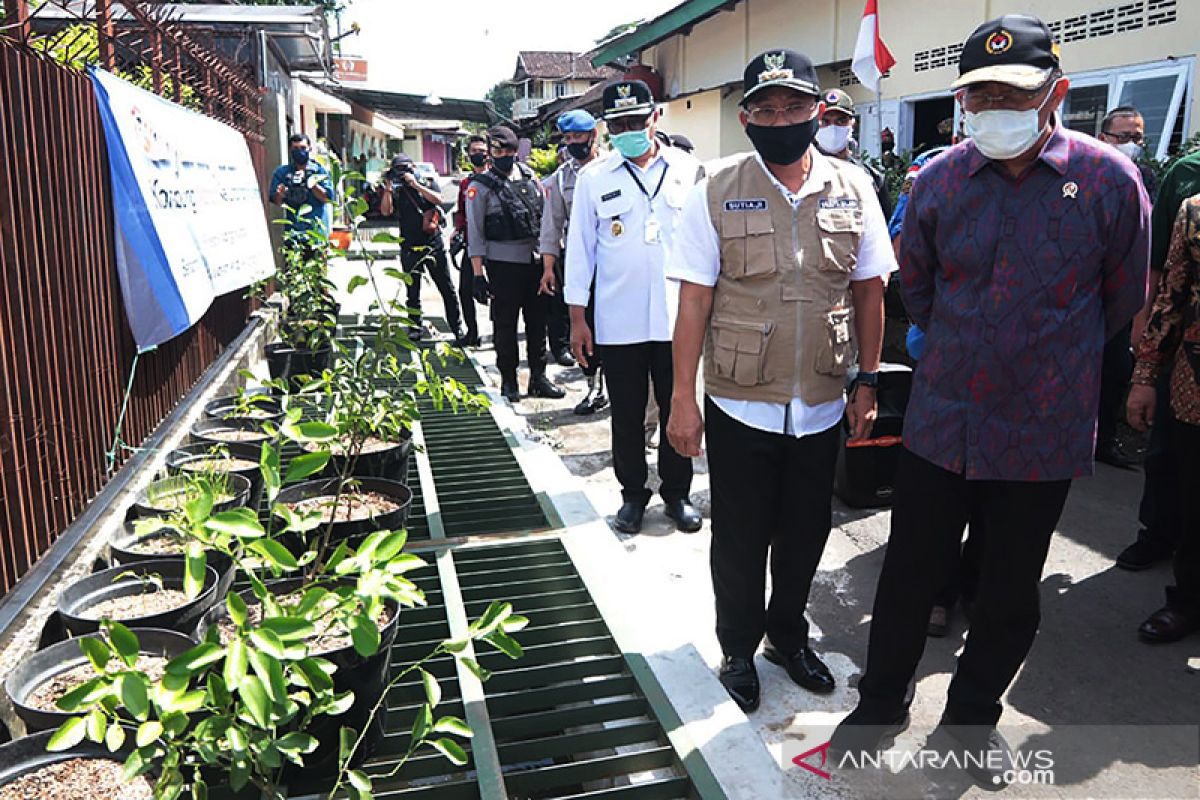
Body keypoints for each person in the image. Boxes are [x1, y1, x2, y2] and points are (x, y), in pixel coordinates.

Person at [832, 15, 1149, 790]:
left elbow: (1121, 300)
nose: (994, 107)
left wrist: (1039, 359)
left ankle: (970, 721)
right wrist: (973, 353)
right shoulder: (938, 180)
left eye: (1014, 91)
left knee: (1009, 589)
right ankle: (879, 704)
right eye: (980, 95)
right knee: (910, 574)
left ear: (1056, 93)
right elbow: (923, 289)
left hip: (1043, 428)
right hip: (944, 419)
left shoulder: (1111, 181)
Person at [666, 50, 893, 713]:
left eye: (794, 107)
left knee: (805, 533)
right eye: (766, 108)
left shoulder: (853, 186)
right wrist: (683, 399)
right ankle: (738, 646)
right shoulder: (716, 186)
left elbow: (871, 291)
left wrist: (868, 383)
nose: (781, 119)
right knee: (737, 535)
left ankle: (787, 637)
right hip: (741, 400)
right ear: (745, 118)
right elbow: (693, 302)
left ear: (817, 113)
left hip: (822, 400)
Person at [565, 79, 703, 534]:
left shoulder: (688, 169)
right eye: (618, 124)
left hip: (676, 318)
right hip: (617, 318)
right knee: (625, 415)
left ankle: (677, 493)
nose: (628, 131)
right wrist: (577, 319)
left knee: (676, 406)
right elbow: (581, 252)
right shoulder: (593, 178)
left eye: (636, 122)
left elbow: (705, 247)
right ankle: (632, 495)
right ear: (607, 128)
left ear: (655, 118)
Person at [1117, 149, 1200, 569]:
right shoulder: (1188, 179)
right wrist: (1143, 333)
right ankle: (1158, 535)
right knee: (1168, 452)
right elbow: (1162, 272)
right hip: (1185, 357)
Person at [1127, 193, 1200, 643]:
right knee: (1194, 502)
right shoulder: (1194, 212)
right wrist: (1146, 376)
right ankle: (1190, 601)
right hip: (1195, 388)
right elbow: (1170, 298)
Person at [466, 125, 565, 402]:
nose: (506, 156)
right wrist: (478, 274)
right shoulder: (480, 187)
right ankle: (509, 380)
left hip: (534, 263)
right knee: (505, 327)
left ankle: (538, 377)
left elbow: (546, 221)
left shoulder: (530, 178)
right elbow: (475, 233)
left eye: (510, 150)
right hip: (502, 265)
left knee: (537, 324)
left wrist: (549, 263)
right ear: (490, 152)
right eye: (499, 151)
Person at [1094, 106, 1159, 468]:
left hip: (1122, 297)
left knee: (1116, 370)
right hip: (1088, 297)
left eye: (1137, 137)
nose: (1132, 144)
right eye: (1124, 137)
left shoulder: (1144, 178)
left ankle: (1103, 442)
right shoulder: (1088, 174)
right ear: (1104, 137)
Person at [539, 109, 608, 415]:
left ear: (593, 136)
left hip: (614, 263)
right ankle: (594, 387)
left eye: (578, 136)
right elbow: (551, 226)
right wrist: (548, 268)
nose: (572, 143)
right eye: (567, 138)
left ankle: (621, 387)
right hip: (580, 264)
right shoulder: (560, 178)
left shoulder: (614, 168)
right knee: (584, 328)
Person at [379, 154, 465, 344]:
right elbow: (386, 211)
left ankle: (456, 326)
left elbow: (439, 200)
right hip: (409, 244)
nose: (403, 173)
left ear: (413, 167)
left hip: (432, 242)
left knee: (446, 287)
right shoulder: (395, 187)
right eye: (398, 169)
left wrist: (416, 185)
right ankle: (414, 327)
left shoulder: (426, 181)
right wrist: (387, 189)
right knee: (412, 290)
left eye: (405, 168)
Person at [814, 89, 893, 220]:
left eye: (841, 121)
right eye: (825, 121)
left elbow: (884, 231)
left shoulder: (870, 178)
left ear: (852, 124)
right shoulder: (799, 173)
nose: (832, 128)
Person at [451, 135, 489, 347]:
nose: (478, 155)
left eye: (482, 150)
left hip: (494, 245)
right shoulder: (466, 183)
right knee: (465, 290)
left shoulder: (495, 178)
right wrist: (457, 230)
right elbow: (461, 211)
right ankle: (472, 332)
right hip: (471, 244)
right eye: (474, 151)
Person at [270, 134, 333, 245]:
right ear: (290, 150)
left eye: (303, 148)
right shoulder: (282, 173)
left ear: (309, 148)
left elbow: (327, 198)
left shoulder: (319, 172)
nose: (300, 152)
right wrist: (280, 194)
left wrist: (311, 182)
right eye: (295, 148)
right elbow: (276, 201)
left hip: (316, 234)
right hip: (293, 234)